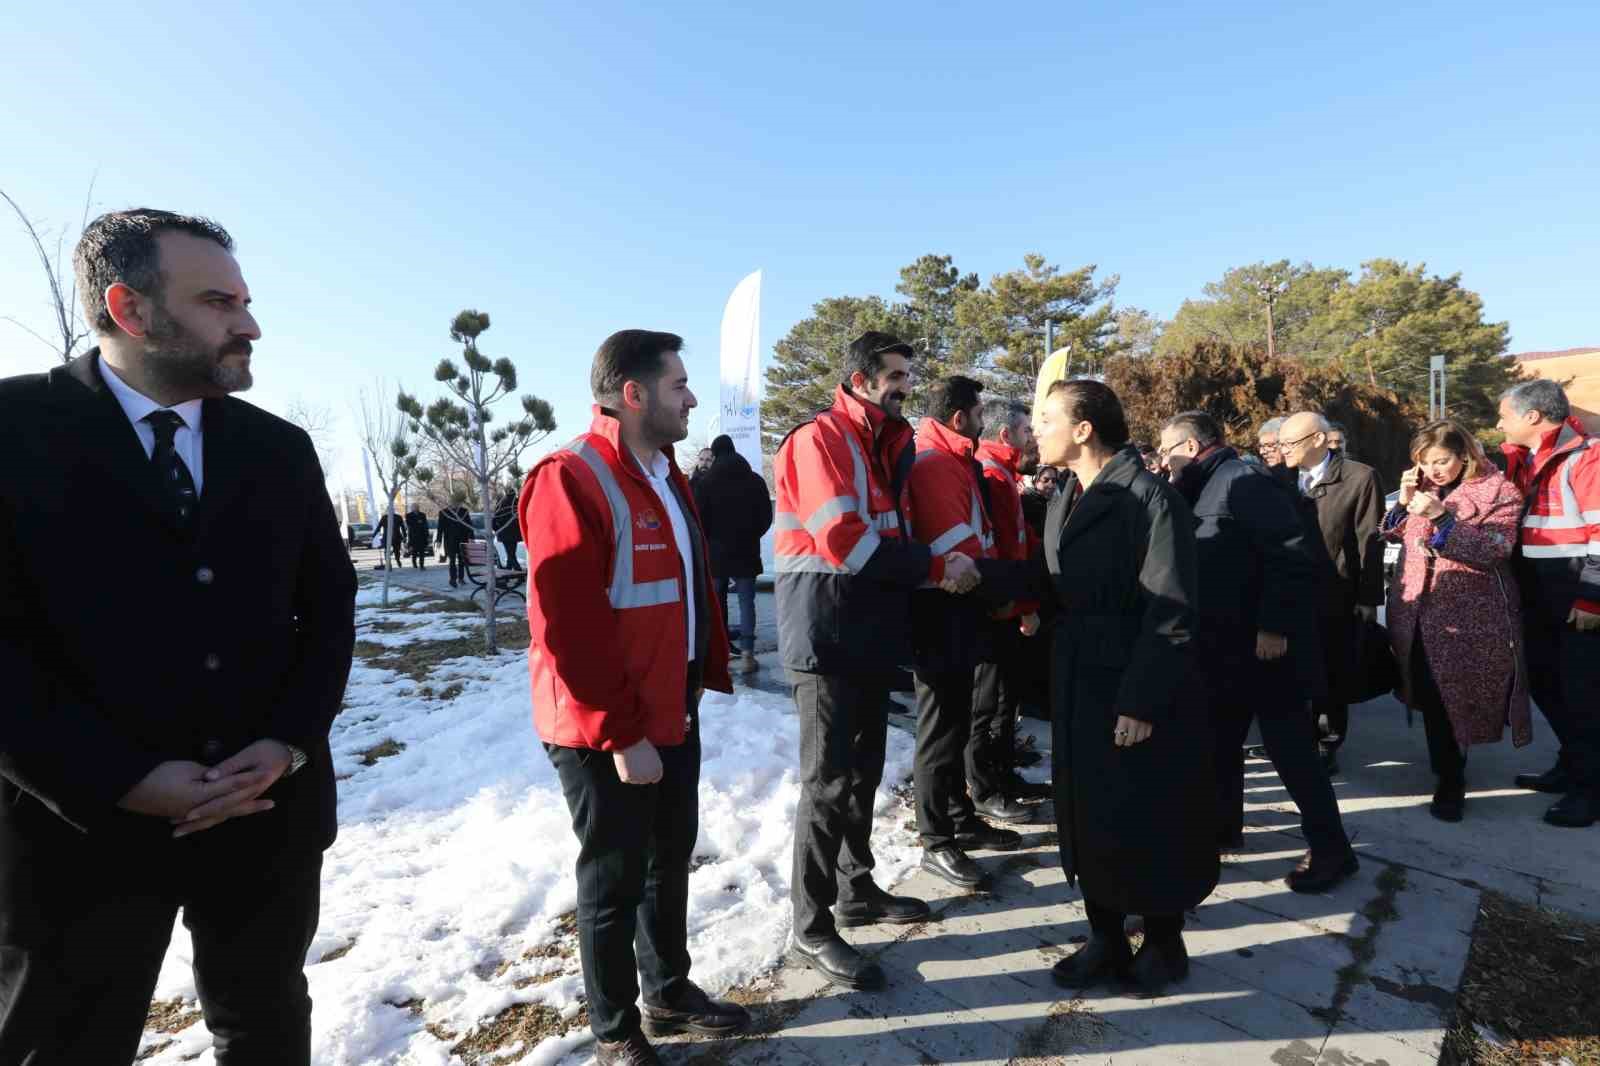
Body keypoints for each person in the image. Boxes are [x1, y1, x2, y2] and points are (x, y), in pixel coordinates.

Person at [0, 208, 356, 1064]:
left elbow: (330, 612)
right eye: (218, 302)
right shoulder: (13, 432)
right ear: (130, 308)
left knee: (267, 1026)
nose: (250, 325)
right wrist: (119, 778)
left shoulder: (279, 449)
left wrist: (287, 743)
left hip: (266, 816)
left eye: (245, 301)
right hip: (77, 836)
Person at [520, 329, 746, 1066]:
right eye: (680, 384)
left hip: (668, 701)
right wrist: (621, 734)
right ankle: (616, 1031)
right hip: (601, 722)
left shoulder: (665, 471)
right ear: (634, 393)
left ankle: (668, 990)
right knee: (613, 876)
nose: (692, 397)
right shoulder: (571, 476)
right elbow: (569, 628)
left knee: (667, 856)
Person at [979, 379, 1218, 997]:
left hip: (1133, 681)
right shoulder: (1069, 494)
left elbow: (1172, 608)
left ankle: (1164, 943)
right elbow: (1051, 574)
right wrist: (975, 573)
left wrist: (1141, 701)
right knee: (1089, 811)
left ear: (1084, 429)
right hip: (1080, 676)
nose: (1036, 431)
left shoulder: (1151, 500)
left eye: (1047, 419)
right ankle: (1105, 935)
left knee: (1145, 812)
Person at [773, 330, 976, 990]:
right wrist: (940, 567)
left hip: (864, 633)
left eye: (909, 373)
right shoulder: (821, 440)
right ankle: (811, 927)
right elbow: (848, 544)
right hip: (826, 634)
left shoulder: (878, 445)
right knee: (828, 783)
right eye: (895, 374)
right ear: (861, 380)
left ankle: (857, 891)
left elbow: (883, 543)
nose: (907, 386)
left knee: (860, 775)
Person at [1159, 412, 1358, 892]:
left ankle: (1332, 849)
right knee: (1220, 743)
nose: (1162, 458)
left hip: (1266, 648)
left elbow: (1290, 556)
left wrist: (1273, 626)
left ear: (1189, 446)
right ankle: (1222, 830)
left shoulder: (1241, 482)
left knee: (1290, 748)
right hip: (1225, 646)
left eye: (1166, 449)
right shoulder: (1203, 484)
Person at [906, 376, 1023, 891]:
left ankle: (958, 816)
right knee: (939, 734)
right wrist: (1009, 586)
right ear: (960, 417)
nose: (983, 421)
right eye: (978, 412)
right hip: (939, 614)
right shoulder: (934, 461)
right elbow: (960, 544)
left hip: (959, 611)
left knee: (953, 726)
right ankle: (936, 838)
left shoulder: (952, 458)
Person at [1382, 420, 1532, 822]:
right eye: (1424, 462)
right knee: (1432, 696)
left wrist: (1445, 519)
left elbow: (1495, 551)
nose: (1433, 469)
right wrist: (1403, 501)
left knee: (1453, 696)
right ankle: (1446, 768)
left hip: (1469, 616)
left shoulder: (1500, 492)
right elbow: (1393, 535)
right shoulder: (1424, 489)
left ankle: (1451, 780)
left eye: (1441, 460)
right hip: (1416, 611)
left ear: (1464, 456)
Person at [1496, 380, 1600, 827]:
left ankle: (1589, 791)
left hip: (1575, 589)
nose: (1499, 423)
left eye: (1505, 415)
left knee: (1582, 695)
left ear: (1533, 416)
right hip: (1538, 591)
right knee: (1544, 682)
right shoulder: (1526, 458)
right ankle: (1573, 764)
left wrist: (1591, 600)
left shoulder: (1586, 457)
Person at [1279, 411, 1386, 773]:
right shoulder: (1278, 478)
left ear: (1319, 440)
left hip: (1335, 597)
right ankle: (1293, 738)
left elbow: (1370, 542)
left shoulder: (1360, 478)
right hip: (1287, 596)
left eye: (1290, 443)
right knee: (1288, 673)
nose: (1283, 449)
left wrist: (1368, 601)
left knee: (1331, 675)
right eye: (1281, 442)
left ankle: (1326, 743)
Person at [973, 398, 1049, 805]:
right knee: (990, 705)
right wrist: (1023, 608)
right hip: (1000, 611)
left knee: (1005, 701)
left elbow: (1020, 541)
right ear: (1006, 435)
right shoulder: (993, 474)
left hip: (1009, 607)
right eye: (1025, 432)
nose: (1031, 440)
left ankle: (1003, 775)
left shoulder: (1002, 472)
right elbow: (1003, 551)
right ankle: (987, 788)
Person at [691, 434, 773, 675]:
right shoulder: (755, 480)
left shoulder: (707, 483)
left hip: (716, 553)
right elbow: (766, 516)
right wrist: (752, 535)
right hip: (746, 551)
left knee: (718, 602)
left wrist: (710, 541)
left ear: (715, 455)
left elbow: (700, 519)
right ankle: (748, 654)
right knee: (747, 602)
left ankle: (723, 650)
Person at [438, 493, 473, 588]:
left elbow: (469, 525)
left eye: (457, 502)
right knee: (452, 560)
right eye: (453, 502)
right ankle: (452, 579)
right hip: (450, 540)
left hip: (462, 539)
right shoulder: (444, 512)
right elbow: (440, 527)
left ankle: (461, 578)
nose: (455, 504)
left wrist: (471, 537)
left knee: (462, 560)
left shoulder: (464, 511)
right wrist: (438, 540)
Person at [494, 486, 522, 571]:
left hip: (504, 532)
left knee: (510, 553)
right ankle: (509, 568)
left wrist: (496, 530)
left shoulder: (501, 503)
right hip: (515, 532)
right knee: (511, 552)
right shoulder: (517, 502)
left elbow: (495, 518)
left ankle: (517, 570)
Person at [406, 504, 431, 570]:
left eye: (417, 507)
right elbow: (409, 523)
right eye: (414, 507)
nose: (416, 508)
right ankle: (414, 563)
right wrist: (418, 522)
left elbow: (425, 525)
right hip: (413, 536)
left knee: (422, 552)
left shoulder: (422, 515)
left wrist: (427, 535)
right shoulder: (408, 515)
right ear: (412, 508)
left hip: (422, 536)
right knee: (414, 552)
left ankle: (422, 565)